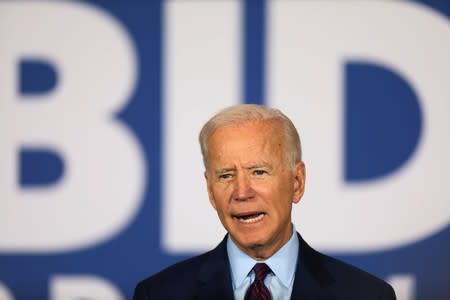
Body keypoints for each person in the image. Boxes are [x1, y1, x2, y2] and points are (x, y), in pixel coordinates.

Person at [134, 104, 396, 300]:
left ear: (297, 182)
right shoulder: (158, 294)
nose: (242, 192)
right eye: (226, 175)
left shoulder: (367, 295)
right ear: (211, 191)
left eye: (259, 172)